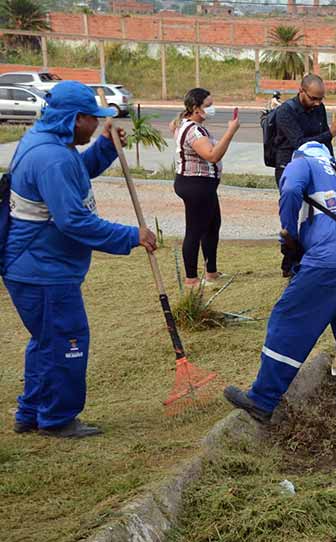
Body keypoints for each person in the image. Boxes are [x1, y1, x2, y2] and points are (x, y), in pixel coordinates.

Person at [2, 81, 157, 438]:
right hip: (42, 268)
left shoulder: (52, 143)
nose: (96, 124)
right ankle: (56, 418)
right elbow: (73, 221)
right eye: (94, 120)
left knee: (47, 340)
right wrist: (132, 236)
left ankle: (31, 412)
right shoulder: (51, 157)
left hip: (38, 265)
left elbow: (76, 174)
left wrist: (104, 147)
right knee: (67, 340)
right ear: (76, 119)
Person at [223, 142, 336, 423]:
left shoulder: (302, 163)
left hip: (328, 262)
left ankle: (263, 399)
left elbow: (290, 189)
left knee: (287, 320)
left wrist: (288, 235)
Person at [173, 88, 240, 288]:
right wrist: (231, 131)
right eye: (208, 106)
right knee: (195, 230)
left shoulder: (191, 125)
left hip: (204, 186)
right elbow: (212, 155)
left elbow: (174, 128)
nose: (212, 109)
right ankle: (191, 279)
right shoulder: (193, 130)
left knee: (212, 226)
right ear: (195, 108)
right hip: (196, 185)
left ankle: (211, 272)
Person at [272, 74, 336, 189]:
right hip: (289, 166)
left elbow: (325, 141)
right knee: (293, 196)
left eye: (321, 99)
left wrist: (332, 162)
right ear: (301, 91)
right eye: (313, 98)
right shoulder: (285, 111)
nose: (317, 103)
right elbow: (300, 144)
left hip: (315, 165)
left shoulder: (319, 108)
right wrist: (330, 133)